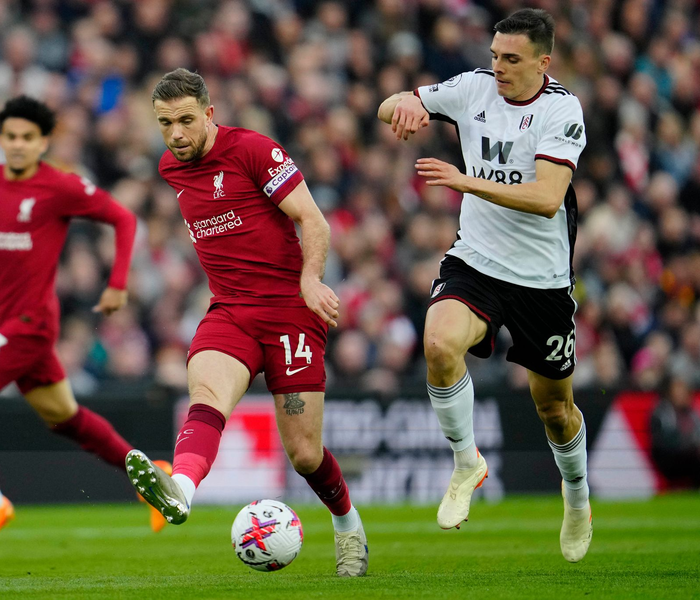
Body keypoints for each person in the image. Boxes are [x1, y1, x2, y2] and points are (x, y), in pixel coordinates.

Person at [126, 68, 367, 577]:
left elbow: (313, 220)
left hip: (290, 314)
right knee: (206, 399)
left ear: (210, 114)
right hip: (231, 311)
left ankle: (347, 525)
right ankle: (181, 489)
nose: (176, 134)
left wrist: (310, 279)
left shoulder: (254, 150)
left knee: (304, 455)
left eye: (186, 120)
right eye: (165, 123)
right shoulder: (170, 166)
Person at [378, 9, 592, 562]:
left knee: (554, 409)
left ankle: (575, 494)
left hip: (541, 281)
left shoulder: (561, 110)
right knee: (437, 344)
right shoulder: (473, 88)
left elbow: (547, 199)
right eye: (495, 55)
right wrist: (400, 102)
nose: (497, 67)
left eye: (511, 59)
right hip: (475, 261)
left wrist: (462, 181)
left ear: (543, 63)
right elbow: (401, 104)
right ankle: (466, 461)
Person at [0, 95, 168, 533]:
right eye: (9, 136)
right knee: (65, 418)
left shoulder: (60, 186)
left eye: (26, 137)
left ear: (43, 143)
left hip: (30, 325)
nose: (17, 145)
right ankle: (153, 478)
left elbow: (124, 219)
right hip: (8, 328)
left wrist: (116, 282)